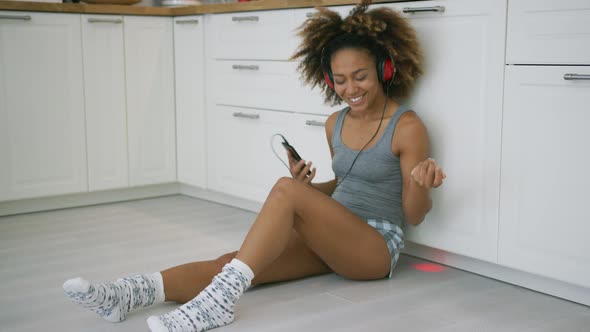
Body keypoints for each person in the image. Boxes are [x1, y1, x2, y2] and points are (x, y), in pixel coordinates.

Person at [62, 1, 446, 331]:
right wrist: (310, 192)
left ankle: (217, 305)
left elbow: (414, 215)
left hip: (375, 248)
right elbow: (345, 184)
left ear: (385, 70)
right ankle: (127, 294)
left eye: (360, 76)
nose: (351, 89)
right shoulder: (336, 122)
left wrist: (420, 183)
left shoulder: (407, 126)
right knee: (235, 262)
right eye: (341, 80)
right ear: (329, 79)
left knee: (283, 189)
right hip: (336, 234)